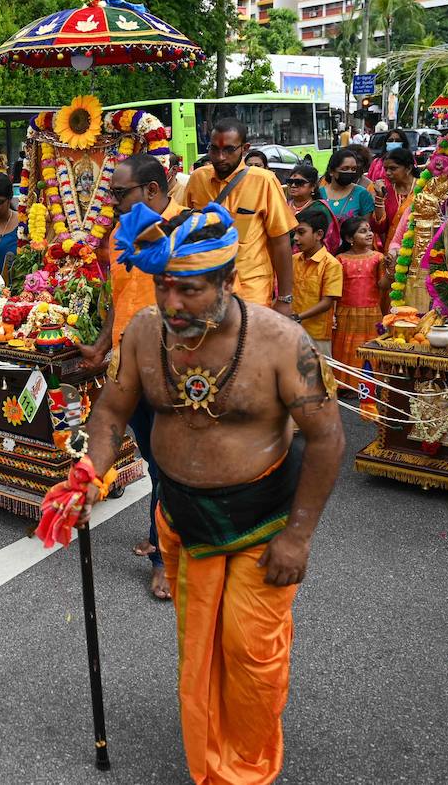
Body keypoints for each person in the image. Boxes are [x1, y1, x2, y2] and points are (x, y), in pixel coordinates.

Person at [46, 202, 343, 785]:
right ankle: (210, 762)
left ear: (229, 281)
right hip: (181, 516)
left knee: (251, 655)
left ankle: (248, 772)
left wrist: (299, 536)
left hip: (261, 523)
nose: (173, 305)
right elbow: (110, 412)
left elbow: (327, 439)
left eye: (190, 290)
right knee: (201, 651)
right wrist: (89, 474)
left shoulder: (285, 343)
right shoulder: (142, 334)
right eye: (163, 287)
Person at [77, 154, 184, 601]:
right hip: (127, 368)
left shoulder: (187, 232)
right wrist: (104, 345)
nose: (111, 202)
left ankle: (165, 558)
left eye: (120, 194)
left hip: (171, 371)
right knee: (153, 462)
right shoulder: (122, 234)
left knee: (168, 465)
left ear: (153, 191)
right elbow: (118, 297)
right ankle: (160, 537)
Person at [183, 118, 296, 314]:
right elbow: (184, 230)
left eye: (228, 150)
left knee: (248, 343)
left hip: (251, 289)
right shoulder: (197, 179)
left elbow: (281, 241)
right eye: (214, 149)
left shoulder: (264, 181)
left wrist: (285, 298)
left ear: (244, 148)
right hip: (206, 287)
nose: (220, 157)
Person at [331, 217, 387, 374]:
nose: (369, 234)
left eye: (369, 230)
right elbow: (335, 291)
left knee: (368, 348)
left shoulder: (378, 257)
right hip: (345, 313)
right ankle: (345, 385)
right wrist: (333, 315)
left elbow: (383, 285)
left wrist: (390, 272)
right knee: (346, 349)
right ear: (349, 238)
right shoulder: (340, 259)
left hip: (371, 313)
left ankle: (368, 384)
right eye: (363, 231)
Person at [291, 208, 343, 357]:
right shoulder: (294, 260)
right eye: (295, 233)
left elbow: (327, 303)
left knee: (318, 377)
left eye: (301, 233)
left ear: (319, 234)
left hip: (317, 335)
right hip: (292, 330)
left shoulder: (331, 264)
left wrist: (298, 317)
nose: (295, 238)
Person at [286, 164, 341, 253]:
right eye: (290, 181)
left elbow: (327, 240)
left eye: (299, 182)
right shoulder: (283, 206)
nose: (293, 185)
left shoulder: (320, 209)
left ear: (313, 187)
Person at [320, 149, 375, 228]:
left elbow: (365, 228)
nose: (350, 172)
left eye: (353, 169)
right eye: (345, 169)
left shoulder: (362, 194)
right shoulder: (319, 193)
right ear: (332, 171)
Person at [380, 148, 417, 257]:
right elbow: (380, 228)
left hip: (417, 250)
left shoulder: (424, 189)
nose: (387, 173)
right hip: (392, 252)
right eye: (385, 169)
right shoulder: (386, 191)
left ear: (409, 168)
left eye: (393, 168)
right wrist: (379, 199)